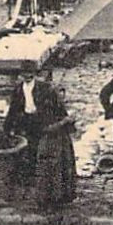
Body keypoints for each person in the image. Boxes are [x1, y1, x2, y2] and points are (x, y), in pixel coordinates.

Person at [5, 65, 58, 190]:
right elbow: (13, 108)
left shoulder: (43, 88)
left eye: (29, 72)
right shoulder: (18, 89)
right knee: (25, 147)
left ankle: (39, 175)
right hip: (24, 120)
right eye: (24, 72)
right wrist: (7, 126)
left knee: (39, 147)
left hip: (39, 120)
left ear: (34, 73)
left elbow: (52, 106)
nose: (27, 75)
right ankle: (26, 176)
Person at [32, 79, 76, 212]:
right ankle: (47, 201)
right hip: (49, 143)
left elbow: (70, 128)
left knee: (63, 169)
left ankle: (60, 198)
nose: (62, 99)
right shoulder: (44, 110)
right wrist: (64, 122)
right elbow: (45, 128)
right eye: (59, 96)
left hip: (61, 142)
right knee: (49, 171)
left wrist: (71, 122)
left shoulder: (59, 109)